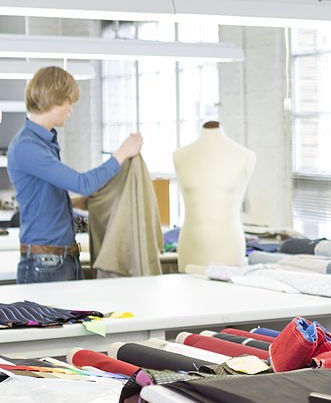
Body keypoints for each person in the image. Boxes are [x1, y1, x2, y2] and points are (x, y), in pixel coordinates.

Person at [9, 66, 142, 284]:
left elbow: (43, 197)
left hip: (59, 259)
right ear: (54, 100)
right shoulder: (28, 147)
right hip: (46, 264)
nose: (71, 109)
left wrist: (77, 203)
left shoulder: (44, 142)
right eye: (69, 101)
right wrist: (122, 153)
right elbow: (82, 183)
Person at [173, 121, 255, 271]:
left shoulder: (245, 156)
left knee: (226, 294)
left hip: (229, 247)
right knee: (187, 293)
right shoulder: (180, 156)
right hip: (190, 246)